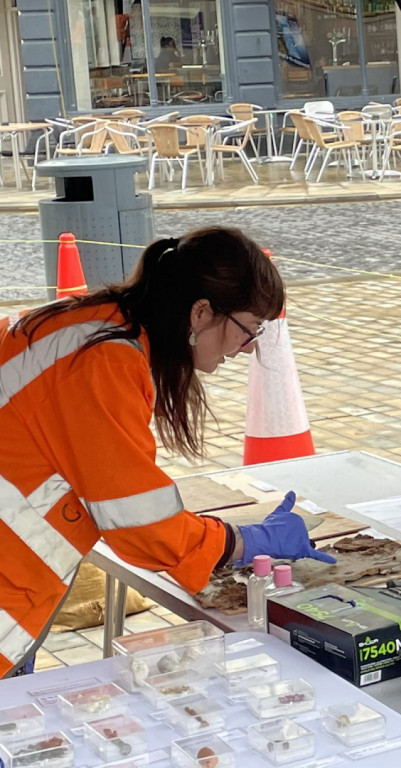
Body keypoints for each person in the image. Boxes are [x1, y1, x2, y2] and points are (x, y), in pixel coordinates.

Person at [0, 226, 335, 679]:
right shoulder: (104, 361)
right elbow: (141, 524)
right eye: (249, 329)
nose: (249, 347)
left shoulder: (95, 328)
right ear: (201, 313)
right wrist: (242, 542)